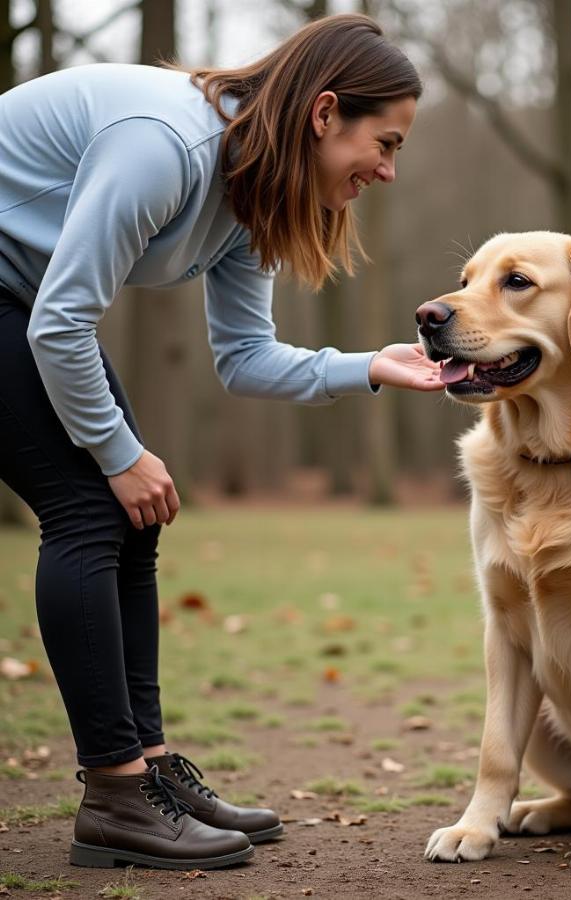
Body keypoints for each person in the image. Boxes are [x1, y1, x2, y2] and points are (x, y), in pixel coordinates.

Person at [0, 13, 440, 870]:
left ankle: (148, 773)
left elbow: (244, 360)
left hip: (20, 299)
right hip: (21, 303)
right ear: (323, 115)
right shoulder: (166, 145)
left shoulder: (251, 190)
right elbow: (61, 323)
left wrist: (369, 366)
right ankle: (118, 793)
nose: (386, 171)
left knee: (135, 511)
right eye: (383, 144)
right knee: (94, 503)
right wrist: (118, 453)